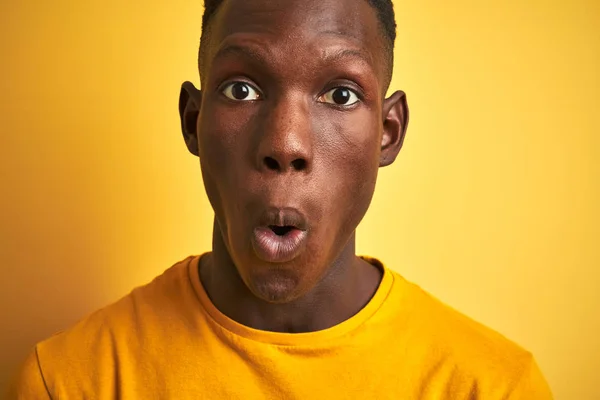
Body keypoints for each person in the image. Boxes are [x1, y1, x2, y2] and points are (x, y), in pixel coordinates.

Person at [10, 0, 554, 398]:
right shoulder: (69, 381)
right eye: (241, 89)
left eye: (339, 94)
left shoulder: (493, 387)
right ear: (193, 122)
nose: (285, 143)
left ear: (387, 132)